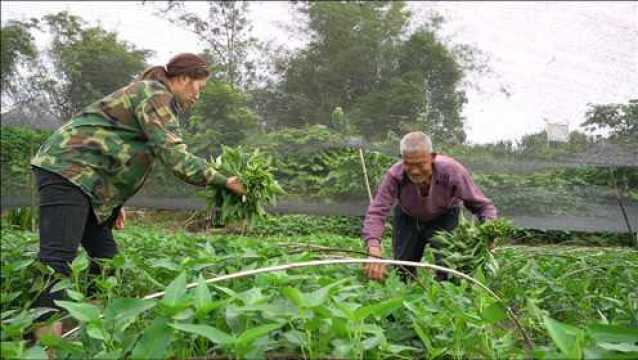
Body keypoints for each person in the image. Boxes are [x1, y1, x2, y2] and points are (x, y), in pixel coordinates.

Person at [30, 53, 245, 337]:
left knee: (106, 259)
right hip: (69, 170)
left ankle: (86, 332)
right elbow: (174, 156)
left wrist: (114, 204)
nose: (198, 95)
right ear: (183, 79)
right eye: (199, 87)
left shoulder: (153, 96)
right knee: (56, 260)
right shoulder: (155, 95)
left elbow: (126, 154)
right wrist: (224, 180)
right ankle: (42, 344)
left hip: (91, 183)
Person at [362, 131, 497, 282]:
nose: (414, 170)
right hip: (408, 217)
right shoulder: (395, 175)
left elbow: (483, 206)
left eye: (420, 164)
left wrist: (488, 231)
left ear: (432, 157)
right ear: (402, 159)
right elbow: (377, 212)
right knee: (403, 269)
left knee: (449, 267)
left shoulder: (452, 171)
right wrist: (373, 248)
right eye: (408, 164)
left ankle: (445, 296)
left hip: (445, 216)